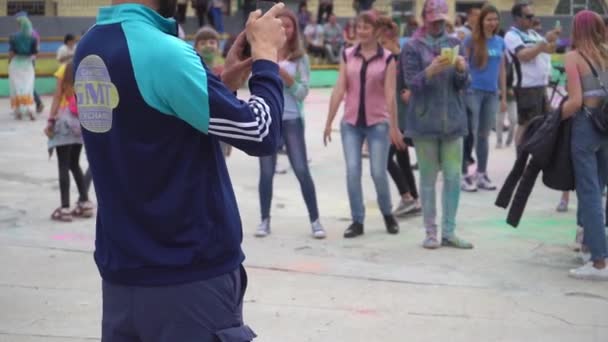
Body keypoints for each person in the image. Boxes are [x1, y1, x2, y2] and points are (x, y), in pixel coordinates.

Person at [73, 0, 286, 340]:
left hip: (124, 277)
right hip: (187, 280)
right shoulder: (163, 53)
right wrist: (265, 57)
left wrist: (220, 85)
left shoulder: (91, 46)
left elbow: (153, 125)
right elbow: (261, 133)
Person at [323, 11, 404, 238]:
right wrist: (329, 121)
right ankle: (357, 220)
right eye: (358, 27)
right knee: (352, 171)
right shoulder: (348, 54)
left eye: (366, 27)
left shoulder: (387, 58)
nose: (361, 31)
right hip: (350, 123)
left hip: (378, 123)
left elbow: (390, 95)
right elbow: (340, 88)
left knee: (378, 172)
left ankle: (388, 214)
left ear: (376, 31)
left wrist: (394, 127)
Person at [402, 0, 473, 249]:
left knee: (453, 177)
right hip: (424, 122)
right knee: (428, 179)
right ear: (425, 19)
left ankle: (449, 231)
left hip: (453, 120)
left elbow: (463, 85)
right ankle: (431, 232)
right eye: (433, 20)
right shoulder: (412, 46)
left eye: (441, 20)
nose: (438, 25)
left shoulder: (455, 43)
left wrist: (463, 70)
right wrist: (430, 71)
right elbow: (410, 83)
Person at [255, 9, 326, 239]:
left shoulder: (300, 58)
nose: (285, 29)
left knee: (301, 169)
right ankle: (264, 220)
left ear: (295, 30)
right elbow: (253, 83)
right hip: (268, 118)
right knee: (266, 172)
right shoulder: (264, 53)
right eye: (281, 24)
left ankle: (315, 220)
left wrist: (286, 77)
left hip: (292, 119)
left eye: (289, 26)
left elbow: (303, 92)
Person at [560, 10, 608, 281]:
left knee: (588, 194)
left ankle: (599, 261)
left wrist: (555, 116)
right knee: (599, 189)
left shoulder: (573, 57)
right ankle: (591, 248)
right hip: (606, 128)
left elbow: (575, 101)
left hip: (586, 127)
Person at [461, 5, 507, 192]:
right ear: (481, 21)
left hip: (492, 93)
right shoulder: (471, 40)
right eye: (488, 19)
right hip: (473, 92)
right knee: (468, 134)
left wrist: (503, 94)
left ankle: (481, 174)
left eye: (495, 19)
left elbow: (502, 69)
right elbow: (463, 65)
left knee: (484, 136)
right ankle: (464, 174)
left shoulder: (500, 41)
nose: (492, 23)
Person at [380, 16, 421, 217]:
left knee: (385, 159)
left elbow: (416, 80)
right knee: (402, 158)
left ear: (394, 38)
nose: (382, 46)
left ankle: (407, 197)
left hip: (402, 116)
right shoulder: (381, 59)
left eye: (385, 42)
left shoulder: (405, 57)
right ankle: (414, 198)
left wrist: (411, 92)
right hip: (388, 115)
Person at [44, 63, 94, 222]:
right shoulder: (87, 68)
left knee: (63, 165)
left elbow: (58, 95)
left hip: (64, 120)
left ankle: (65, 208)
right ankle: (85, 203)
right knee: (74, 163)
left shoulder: (64, 68)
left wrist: (51, 120)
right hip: (80, 121)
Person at [505, 3, 560, 145]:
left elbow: (549, 50)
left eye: (533, 16)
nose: (532, 19)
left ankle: (534, 156)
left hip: (540, 85)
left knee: (543, 123)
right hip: (526, 86)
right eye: (528, 16)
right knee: (526, 123)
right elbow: (523, 55)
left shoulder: (533, 34)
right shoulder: (512, 35)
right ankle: (520, 160)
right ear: (517, 18)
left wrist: (553, 39)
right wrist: (545, 41)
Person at [8, 14, 37, 121]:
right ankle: (31, 110)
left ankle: (18, 112)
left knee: (16, 88)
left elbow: (11, 52)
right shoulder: (33, 38)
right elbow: (34, 54)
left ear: (20, 25)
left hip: (16, 64)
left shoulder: (13, 37)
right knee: (28, 88)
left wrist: (9, 62)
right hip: (28, 65)